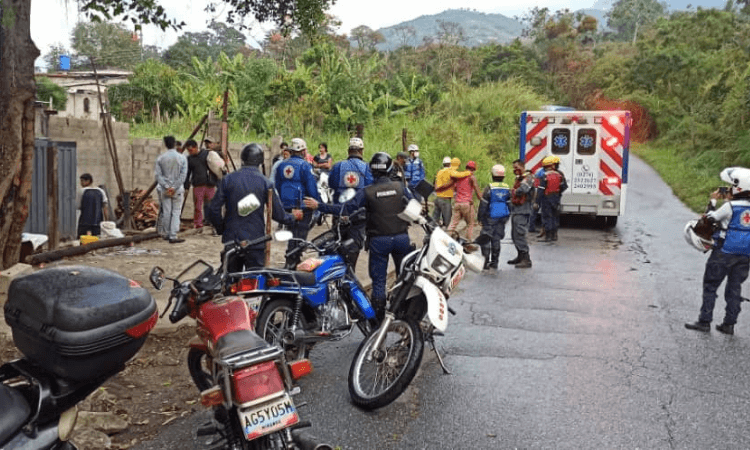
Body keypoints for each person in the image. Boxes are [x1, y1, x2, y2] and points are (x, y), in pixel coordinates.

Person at [304, 152, 414, 321]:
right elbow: (415, 206)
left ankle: (378, 321)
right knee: (404, 276)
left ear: (372, 171)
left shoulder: (367, 192)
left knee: (378, 281)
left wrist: (320, 206)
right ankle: (404, 314)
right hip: (401, 239)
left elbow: (344, 209)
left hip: (379, 241)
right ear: (390, 169)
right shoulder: (400, 188)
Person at [209, 143, 301, 271]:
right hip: (256, 241)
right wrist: (293, 217)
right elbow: (278, 215)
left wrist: (221, 228)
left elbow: (213, 208)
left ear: (242, 159)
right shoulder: (265, 183)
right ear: (260, 161)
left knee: (230, 283)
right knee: (255, 283)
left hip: (232, 240)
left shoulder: (228, 180)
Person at [685, 167, 750, 335]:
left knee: (710, 285)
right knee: (735, 288)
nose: (728, 189)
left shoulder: (730, 206)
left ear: (738, 187)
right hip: (745, 254)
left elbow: (709, 219)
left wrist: (713, 202)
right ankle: (729, 324)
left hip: (724, 251)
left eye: (730, 186)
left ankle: (704, 321)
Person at [274, 137, 321, 268]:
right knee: (301, 233)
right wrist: (315, 202)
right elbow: (311, 187)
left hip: (287, 206)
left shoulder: (282, 164)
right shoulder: (305, 166)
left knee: (292, 231)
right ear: (303, 151)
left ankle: (291, 258)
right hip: (302, 205)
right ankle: (293, 260)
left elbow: (277, 185)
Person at [326, 137, 373, 268]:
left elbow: (331, 184)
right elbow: (370, 190)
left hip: (339, 213)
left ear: (348, 151)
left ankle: (337, 272)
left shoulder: (337, 166)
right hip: (359, 216)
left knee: (337, 244)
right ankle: (349, 273)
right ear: (361, 151)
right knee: (354, 248)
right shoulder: (367, 168)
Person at [477, 164, 511, 270]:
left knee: (486, 238)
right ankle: (495, 262)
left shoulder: (489, 187)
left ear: (492, 175)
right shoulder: (507, 188)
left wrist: (480, 217)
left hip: (490, 217)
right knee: (496, 239)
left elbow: (483, 204)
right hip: (502, 217)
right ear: (503, 176)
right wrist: (507, 217)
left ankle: (485, 262)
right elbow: (510, 204)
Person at [155, 135, 188, 244]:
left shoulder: (160, 158)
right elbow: (183, 176)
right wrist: (174, 187)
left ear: (166, 145)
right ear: (174, 144)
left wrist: (167, 187)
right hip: (177, 190)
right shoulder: (182, 158)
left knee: (167, 212)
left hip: (164, 189)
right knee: (176, 212)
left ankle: (166, 233)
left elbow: (158, 176)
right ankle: (173, 235)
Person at [183, 139, 217, 232]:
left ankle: (213, 224)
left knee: (212, 205)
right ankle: (198, 225)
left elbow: (216, 165)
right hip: (198, 185)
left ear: (195, 147)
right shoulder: (189, 159)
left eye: (190, 150)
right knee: (198, 207)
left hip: (210, 184)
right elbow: (187, 173)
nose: (189, 152)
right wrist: (186, 186)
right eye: (188, 151)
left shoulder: (207, 154)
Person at [507, 159, 535, 268]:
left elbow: (522, 190)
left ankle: (526, 259)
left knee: (519, 234)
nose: (515, 170)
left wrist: (513, 191)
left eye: (516, 167)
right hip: (517, 209)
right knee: (514, 235)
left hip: (523, 210)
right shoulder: (520, 178)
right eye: (514, 168)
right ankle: (520, 256)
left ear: (522, 167)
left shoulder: (528, 178)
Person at [445, 160, 482, 240]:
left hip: (457, 203)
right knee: (470, 224)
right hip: (466, 204)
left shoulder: (459, 177)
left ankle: (446, 238)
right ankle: (468, 241)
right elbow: (477, 191)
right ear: (473, 169)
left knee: (453, 223)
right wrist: (482, 200)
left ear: (466, 168)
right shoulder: (472, 177)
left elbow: (454, 188)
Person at [536, 155, 568, 242]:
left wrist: (537, 201)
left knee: (547, 217)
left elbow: (540, 189)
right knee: (555, 216)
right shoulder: (560, 175)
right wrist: (558, 193)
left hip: (546, 198)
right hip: (556, 198)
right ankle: (554, 235)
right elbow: (564, 186)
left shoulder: (544, 176)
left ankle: (548, 236)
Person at [433, 156, 454, 227]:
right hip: (446, 199)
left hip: (438, 198)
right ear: (450, 164)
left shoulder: (439, 172)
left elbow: (435, 184)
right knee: (447, 222)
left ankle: (430, 235)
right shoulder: (451, 172)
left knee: (435, 220)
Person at [529, 165, 545, 234]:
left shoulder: (539, 170)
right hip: (541, 192)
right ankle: (543, 229)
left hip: (537, 190)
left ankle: (531, 227)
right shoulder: (546, 172)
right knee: (542, 211)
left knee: (534, 211)